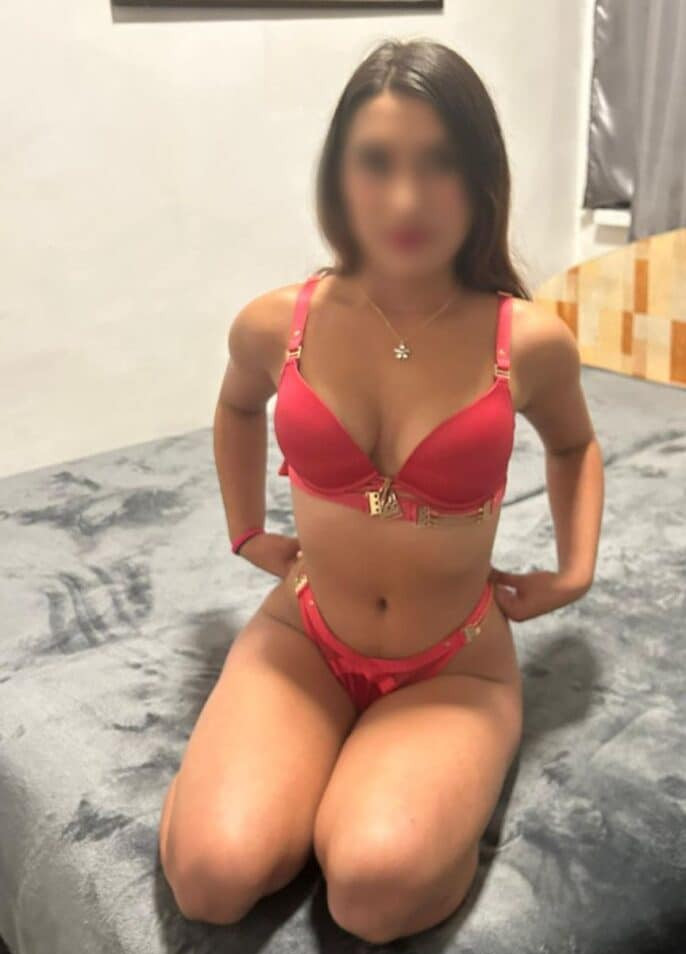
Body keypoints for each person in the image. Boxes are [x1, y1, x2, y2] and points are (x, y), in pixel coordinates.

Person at [158, 37, 604, 943]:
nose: (406, 198)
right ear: (339, 175)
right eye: (376, 161)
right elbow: (236, 406)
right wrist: (246, 531)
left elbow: (575, 445)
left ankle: (387, 799)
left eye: (439, 163)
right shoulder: (275, 323)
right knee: (211, 878)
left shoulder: (528, 340)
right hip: (305, 636)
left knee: (369, 890)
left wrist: (574, 572)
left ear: (481, 178)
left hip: (455, 662)